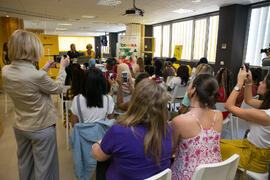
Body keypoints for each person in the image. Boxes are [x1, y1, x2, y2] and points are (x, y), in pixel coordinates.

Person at [2, 29, 69, 180]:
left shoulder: (6, 71)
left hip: (20, 125)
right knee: (45, 169)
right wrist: (62, 68)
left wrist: (44, 69)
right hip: (41, 128)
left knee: (24, 165)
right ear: (32, 49)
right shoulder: (36, 75)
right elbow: (57, 88)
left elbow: (27, 80)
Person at [92, 79, 173, 180]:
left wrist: (99, 143)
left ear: (134, 102)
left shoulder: (119, 131)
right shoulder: (167, 129)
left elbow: (98, 156)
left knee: (102, 164)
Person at [171, 74, 223, 179]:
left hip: (190, 175)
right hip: (216, 172)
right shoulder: (218, 115)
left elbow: (171, 151)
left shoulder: (179, 121)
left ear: (193, 90)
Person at [221, 66, 270, 175]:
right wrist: (248, 83)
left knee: (213, 148)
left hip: (252, 158)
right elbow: (248, 100)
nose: (261, 82)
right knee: (217, 143)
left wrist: (239, 83)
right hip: (253, 150)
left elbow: (228, 106)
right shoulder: (267, 107)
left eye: (264, 82)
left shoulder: (266, 115)